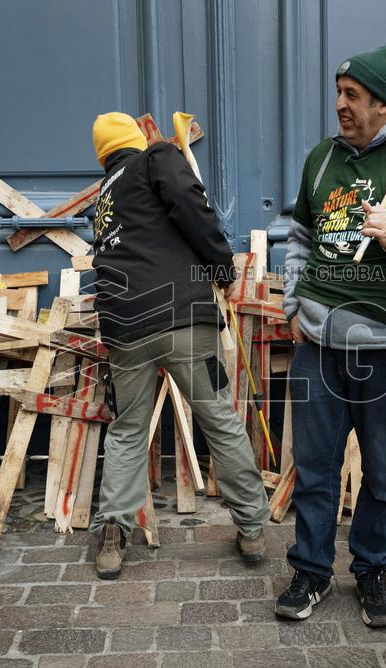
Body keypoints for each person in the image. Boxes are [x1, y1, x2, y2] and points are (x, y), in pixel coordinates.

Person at [277, 45, 386, 626]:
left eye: (352, 95)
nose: (340, 105)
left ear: (383, 103)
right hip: (319, 345)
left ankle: (373, 570)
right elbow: (299, 235)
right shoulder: (322, 160)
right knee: (315, 465)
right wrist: (293, 298)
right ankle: (310, 570)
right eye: (338, 92)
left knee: (381, 470)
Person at [87, 112, 270, 579]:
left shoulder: (103, 200)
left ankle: (113, 533)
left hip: (125, 330)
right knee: (217, 418)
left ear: (102, 155)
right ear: (137, 138)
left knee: (128, 429)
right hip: (181, 319)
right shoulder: (157, 158)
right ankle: (251, 526)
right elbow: (191, 204)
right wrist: (223, 269)